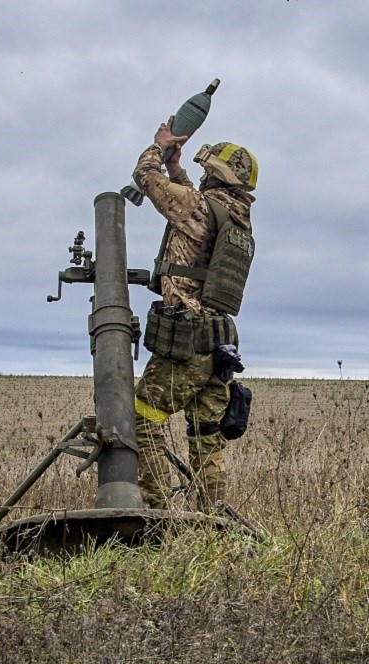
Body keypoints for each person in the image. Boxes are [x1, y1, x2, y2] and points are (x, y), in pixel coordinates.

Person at [131, 119, 258, 512]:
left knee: (141, 423)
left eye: (206, 172)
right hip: (218, 347)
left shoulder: (200, 207)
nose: (200, 177)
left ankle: (155, 517)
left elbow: (144, 178)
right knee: (206, 436)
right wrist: (178, 169)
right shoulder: (235, 218)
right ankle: (211, 524)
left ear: (218, 176)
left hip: (186, 344)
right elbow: (192, 199)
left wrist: (158, 148)